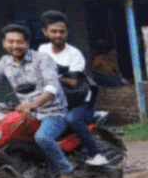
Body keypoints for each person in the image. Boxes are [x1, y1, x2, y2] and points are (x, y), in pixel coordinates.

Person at [0, 24, 76, 178]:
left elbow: (52, 87)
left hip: (52, 112)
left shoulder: (42, 59)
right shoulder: (5, 62)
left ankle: (66, 171)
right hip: (26, 113)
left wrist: (34, 104)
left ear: (27, 42)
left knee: (42, 138)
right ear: (4, 43)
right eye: (10, 42)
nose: (15, 46)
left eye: (19, 42)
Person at [38, 10, 108, 168]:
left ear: (67, 32)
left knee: (72, 119)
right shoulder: (42, 50)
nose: (58, 35)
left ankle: (96, 154)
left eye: (61, 32)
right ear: (45, 32)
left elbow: (73, 82)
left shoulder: (74, 54)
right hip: (58, 101)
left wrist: (51, 77)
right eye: (53, 31)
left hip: (80, 100)